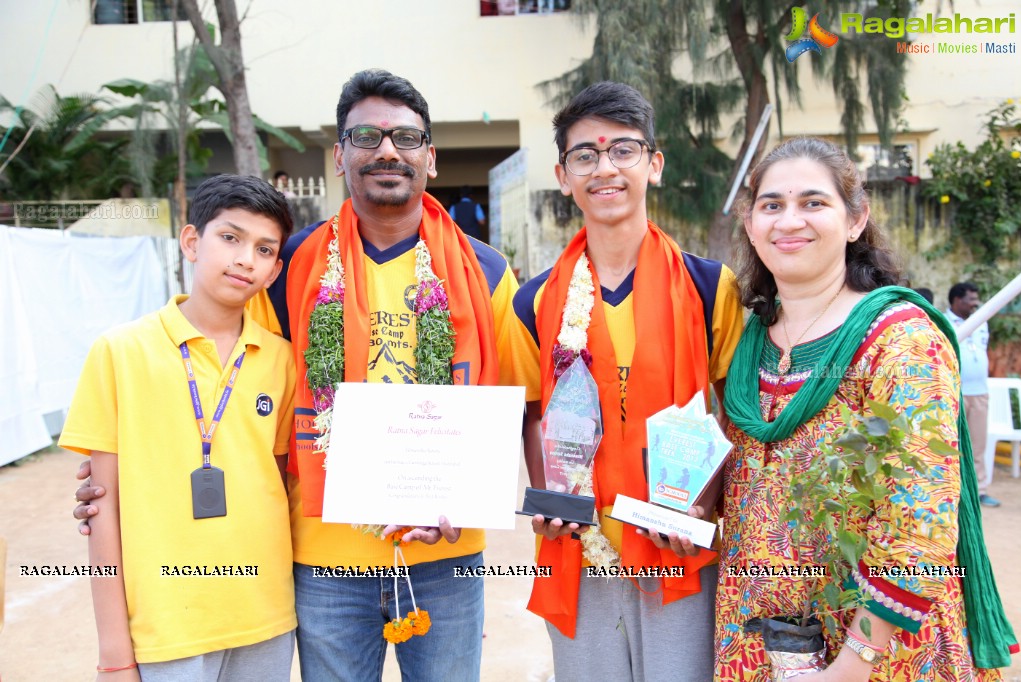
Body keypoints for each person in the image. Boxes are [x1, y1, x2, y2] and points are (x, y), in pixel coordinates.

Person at [76, 69, 519, 682]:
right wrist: (112, 477)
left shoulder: (489, 272)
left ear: (430, 158)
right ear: (339, 156)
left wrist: (472, 492)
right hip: (324, 561)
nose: (387, 150)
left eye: (406, 138)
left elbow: (511, 410)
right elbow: (241, 397)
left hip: (447, 557)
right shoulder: (290, 270)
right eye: (366, 136)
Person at [718, 137, 1015, 679]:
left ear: (856, 220)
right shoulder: (748, 341)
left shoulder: (899, 340)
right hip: (759, 640)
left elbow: (918, 523)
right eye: (772, 205)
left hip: (877, 653)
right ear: (750, 220)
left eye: (814, 203)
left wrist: (851, 667)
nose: (790, 221)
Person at [508, 81, 744, 681]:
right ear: (564, 176)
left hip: (679, 546)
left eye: (623, 151)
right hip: (578, 552)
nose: (604, 168)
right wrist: (552, 498)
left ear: (654, 164)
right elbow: (530, 413)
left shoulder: (709, 287)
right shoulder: (534, 301)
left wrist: (701, 506)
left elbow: (734, 412)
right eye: (584, 155)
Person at [60, 175, 297, 679]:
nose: (244, 259)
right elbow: (102, 509)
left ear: (275, 270)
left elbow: (278, 481)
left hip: (267, 619)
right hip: (166, 628)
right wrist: (112, 652)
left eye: (263, 249)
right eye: (229, 238)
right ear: (192, 241)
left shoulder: (282, 361)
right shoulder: (120, 351)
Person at [947, 281, 999, 507]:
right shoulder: (943, 321)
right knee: (951, 444)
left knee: (978, 445)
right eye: (971, 300)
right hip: (953, 392)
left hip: (979, 393)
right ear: (957, 300)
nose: (975, 304)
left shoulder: (981, 322)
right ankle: (953, 492)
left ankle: (980, 491)